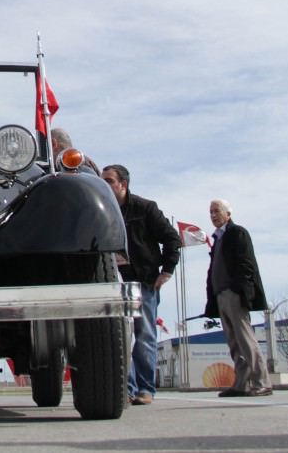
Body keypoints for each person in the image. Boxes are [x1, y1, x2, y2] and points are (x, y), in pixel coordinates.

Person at [100, 164, 181, 405]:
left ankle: (145, 389)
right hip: (114, 282)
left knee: (144, 335)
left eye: (109, 181)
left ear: (123, 184)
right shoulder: (101, 209)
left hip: (143, 281)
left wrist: (166, 271)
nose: (105, 185)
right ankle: (126, 389)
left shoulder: (145, 208)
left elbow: (172, 238)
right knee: (119, 337)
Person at [203, 199, 272, 397]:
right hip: (220, 294)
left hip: (234, 293)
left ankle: (261, 382)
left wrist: (239, 289)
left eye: (217, 211)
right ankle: (242, 384)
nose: (213, 215)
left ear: (228, 214)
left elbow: (246, 264)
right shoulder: (218, 239)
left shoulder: (237, 233)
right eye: (211, 212)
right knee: (234, 342)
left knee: (245, 338)